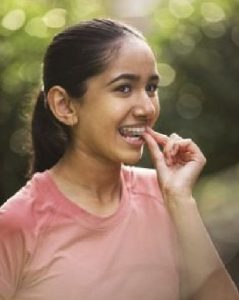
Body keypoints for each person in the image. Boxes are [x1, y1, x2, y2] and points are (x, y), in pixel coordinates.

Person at [0, 18, 238, 300]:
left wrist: (180, 200)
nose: (147, 108)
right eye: (124, 88)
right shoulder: (16, 224)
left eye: (151, 87)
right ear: (64, 105)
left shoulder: (167, 197)